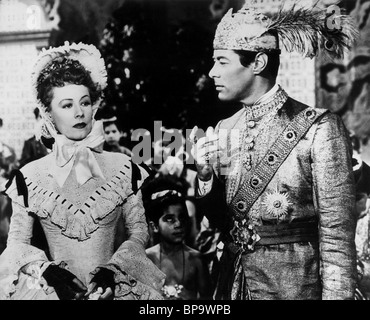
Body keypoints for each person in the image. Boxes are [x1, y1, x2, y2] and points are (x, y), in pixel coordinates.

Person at [189, 2, 359, 300]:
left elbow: (337, 240)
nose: (212, 71)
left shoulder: (320, 128)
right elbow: (222, 222)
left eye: (222, 61)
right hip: (232, 286)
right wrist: (206, 178)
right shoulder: (225, 128)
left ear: (257, 63)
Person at [0, 41, 165, 300]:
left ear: (94, 106)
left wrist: (115, 269)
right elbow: (17, 242)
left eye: (85, 102)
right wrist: (46, 271)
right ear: (49, 114)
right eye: (66, 105)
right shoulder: (29, 177)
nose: (79, 113)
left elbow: (139, 231)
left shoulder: (124, 167)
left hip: (114, 290)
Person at [143, 175, 212, 300]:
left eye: (181, 217)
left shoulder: (196, 260)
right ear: (154, 226)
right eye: (169, 219)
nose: (178, 224)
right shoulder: (146, 259)